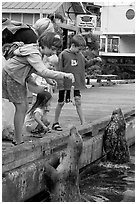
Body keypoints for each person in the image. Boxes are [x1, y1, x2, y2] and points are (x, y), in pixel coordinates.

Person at [2, 32, 74, 145]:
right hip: (12, 76)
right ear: (44, 46)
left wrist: (49, 80)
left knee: (24, 106)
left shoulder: (35, 51)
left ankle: (18, 136)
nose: (54, 53)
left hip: (17, 76)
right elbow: (43, 70)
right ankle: (18, 139)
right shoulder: (34, 53)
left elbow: (35, 68)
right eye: (53, 49)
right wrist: (64, 75)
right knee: (21, 107)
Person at [52, 34, 101, 131]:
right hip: (65, 83)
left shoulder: (80, 55)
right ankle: (55, 122)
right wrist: (60, 83)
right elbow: (59, 69)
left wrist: (94, 61)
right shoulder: (64, 54)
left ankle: (83, 122)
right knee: (61, 102)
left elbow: (85, 64)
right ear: (73, 45)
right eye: (78, 49)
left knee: (78, 101)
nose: (80, 52)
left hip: (76, 83)